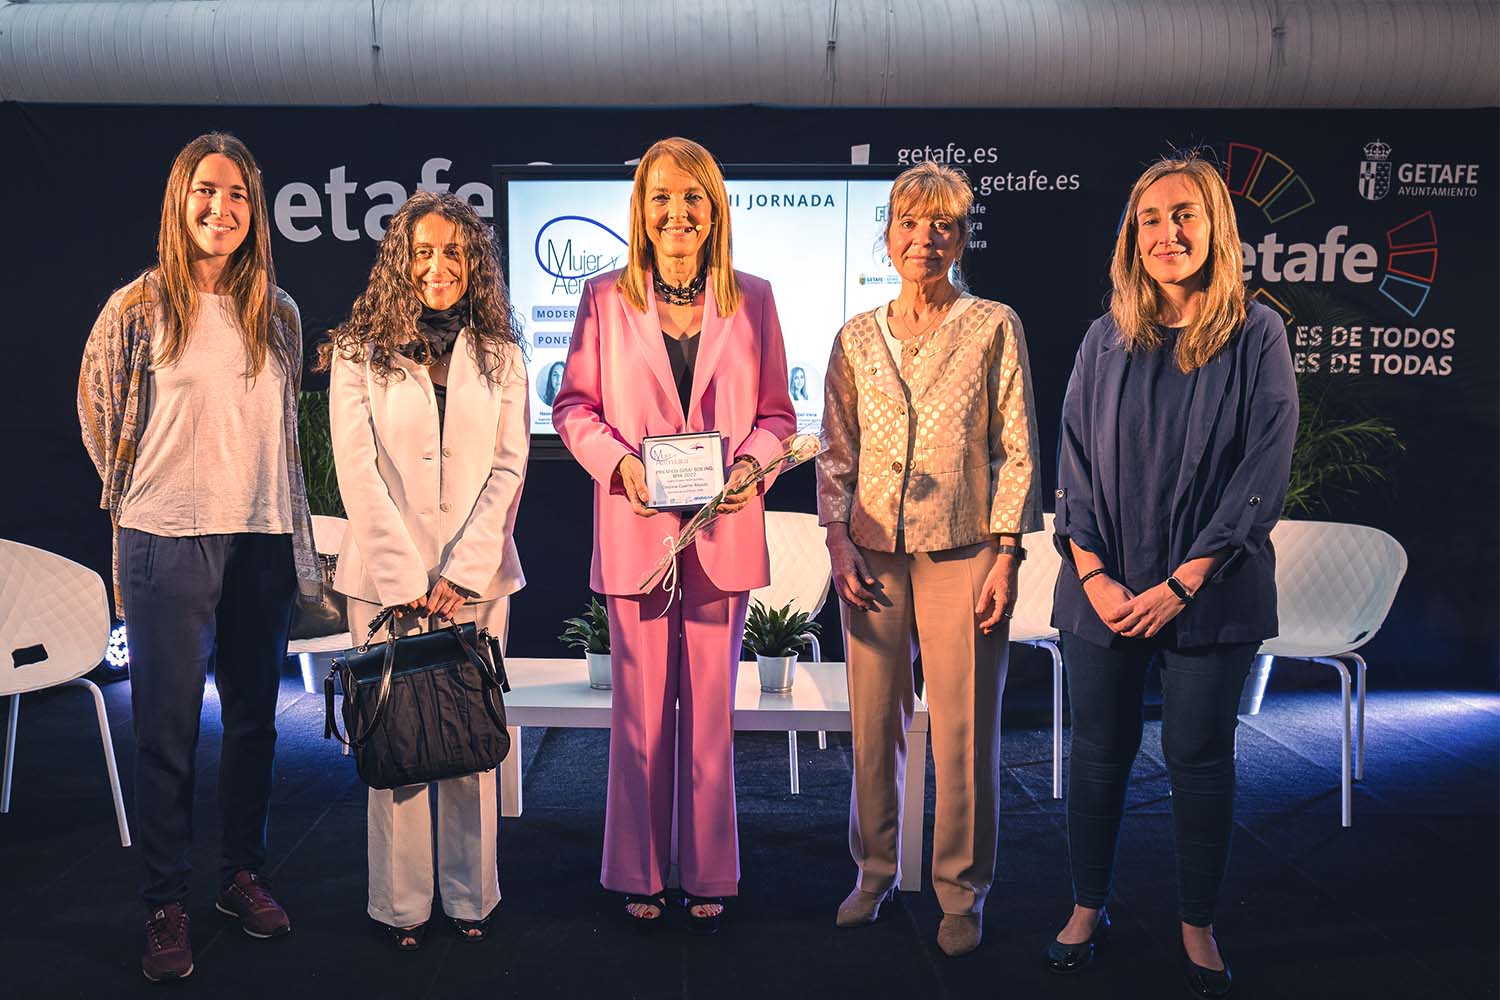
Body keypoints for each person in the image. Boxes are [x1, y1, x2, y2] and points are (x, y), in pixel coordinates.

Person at [1045, 154, 1297, 998]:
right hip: (1104, 592)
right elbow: (1073, 467)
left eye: (1184, 214)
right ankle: (1086, 909)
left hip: (1211, 592)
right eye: (1150, 218)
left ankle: (1197, 925)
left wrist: (1184, 583)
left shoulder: (1256, 334)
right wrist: (1095, 577)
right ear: (1133, 235)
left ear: (1215, 227)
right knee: (1097, 754)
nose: (1167, 233)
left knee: (1198, 757)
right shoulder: (1103, 338)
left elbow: (1262, 470)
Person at [78, 132, 320, 983]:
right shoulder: (137, 307)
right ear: (180, 201)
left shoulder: (278, 314)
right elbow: (98, 414)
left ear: (256, 211)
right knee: (168, 731)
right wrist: (145, 491)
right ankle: (165, 902)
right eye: (207, 191)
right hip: (164, 536)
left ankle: (241, 876)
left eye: (239, 194)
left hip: (261, 536)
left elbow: (282, 427)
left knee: (255, 722)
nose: (222, 208)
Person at [552, 137, 796, 934]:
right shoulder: (602, 298)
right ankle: (640, 870)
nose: (677, 212)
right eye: (661, 196)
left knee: (711, 720)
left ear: (714, 209)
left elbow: (777, 416)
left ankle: (711, 870)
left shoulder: (754, 298)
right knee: (641, 721)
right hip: (638, 533)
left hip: (723, 534)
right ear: (641, 209)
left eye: (693, 197)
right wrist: (619, 465)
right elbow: (574, 408)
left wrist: (751, 467)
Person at [816, 161, 1041, 957]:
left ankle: (961, 890)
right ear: (887, 236)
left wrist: (1007, 554)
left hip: (965, 548)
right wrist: (836, 538)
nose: (925, 238)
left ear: (961, 236)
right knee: (874, 724)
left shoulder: (993, 325)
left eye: (942, 223)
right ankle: (875, 871)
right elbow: (835, 449)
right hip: (872, 554)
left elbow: (1017, 445)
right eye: (910, 223)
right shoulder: (855, 336)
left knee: (964, 730)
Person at [319, 191, 529, 950]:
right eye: (422, 252)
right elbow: (356, 469)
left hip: (477, 581)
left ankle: (472, 897)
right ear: (398, 263)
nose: (438, 266)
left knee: (470, 742)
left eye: (453, 252)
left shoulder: (502, 354)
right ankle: (401, 906)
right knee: (399, 742)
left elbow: (509, 468)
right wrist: (405, 577)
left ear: (474, 262)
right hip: (386, 584)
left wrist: (463, 570)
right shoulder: (357, 351)